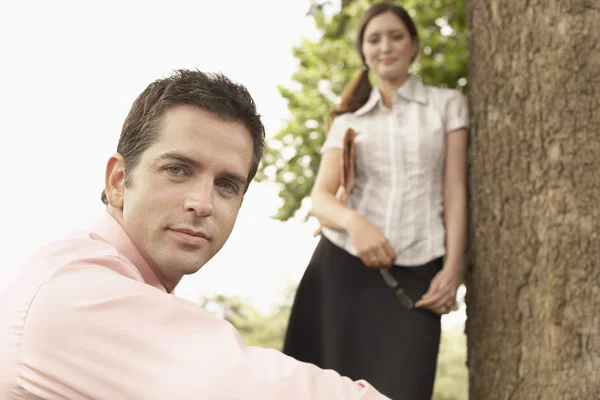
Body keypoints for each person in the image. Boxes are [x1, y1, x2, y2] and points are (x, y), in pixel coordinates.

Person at [0, 69, 390, 399]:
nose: (202, 203)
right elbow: (240, 386)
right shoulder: (77, 291)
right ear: (119, 181)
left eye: (226, 185)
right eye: (178, 169)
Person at [282, 2, 469, 399]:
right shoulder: (348, 122)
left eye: (395, 36)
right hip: (341, 269)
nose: (385, 46)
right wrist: (355, 224)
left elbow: (454, 190)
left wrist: (452, 269)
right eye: (374, 39)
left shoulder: (447, 104)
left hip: (420, 274)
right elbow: (319, 198)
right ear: (363, 52)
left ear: (414, 45)